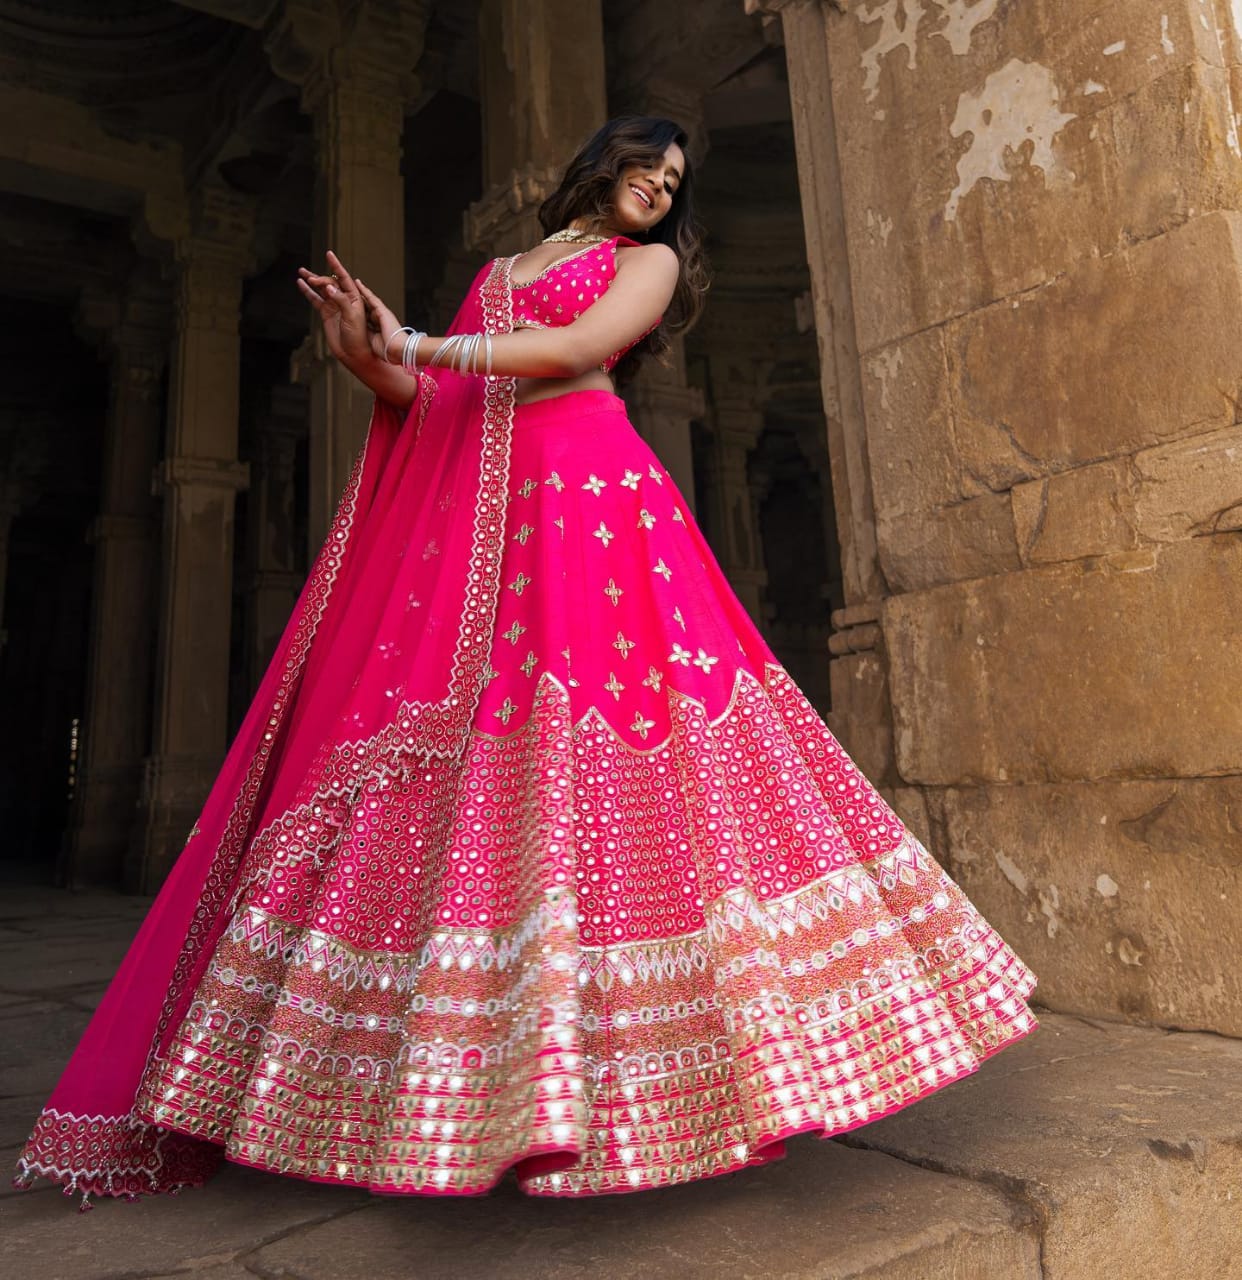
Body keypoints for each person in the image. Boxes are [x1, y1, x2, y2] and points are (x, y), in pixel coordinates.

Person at [15, 116, 1036, 1209]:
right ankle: (469, 1086)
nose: (661, 187)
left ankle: (687, 1075)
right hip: (494, 531)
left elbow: (570, 353)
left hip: (597, 512)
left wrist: (417, 343)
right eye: (648, 165)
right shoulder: (502, 273)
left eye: (676, 180)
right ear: (603, 162)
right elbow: (440, 410)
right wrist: (367, 353)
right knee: (486, 765)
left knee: (630, 746)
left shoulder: (645, 268)